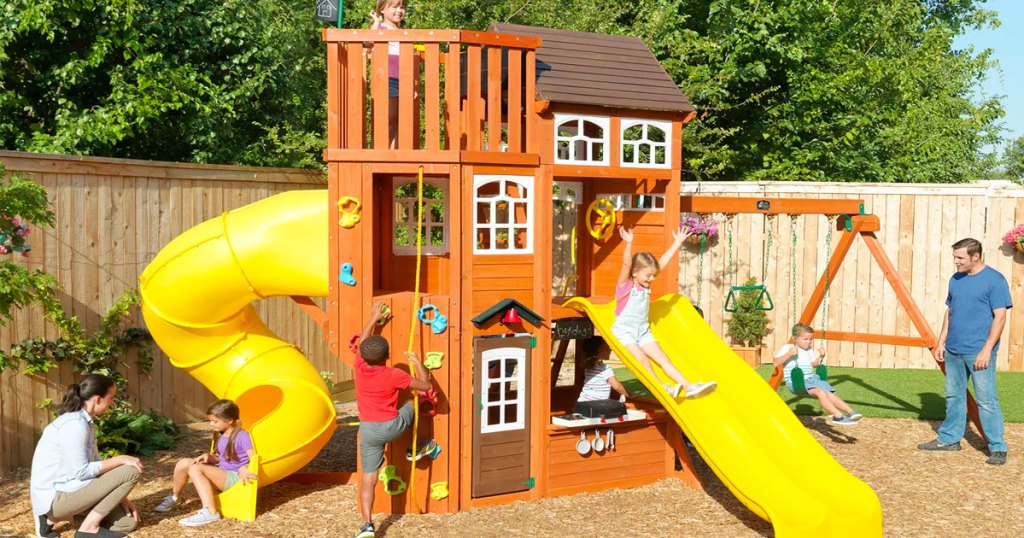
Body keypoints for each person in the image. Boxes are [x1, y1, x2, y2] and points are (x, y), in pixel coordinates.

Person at [918, 238, 1011, 465]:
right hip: (953, 350)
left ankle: (997, 446)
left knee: (986, 399)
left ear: (975, 256)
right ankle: (950, 439)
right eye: (955, 257)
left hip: (978, 351)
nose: (956, 262)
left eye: (960, 258)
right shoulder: (956, 279)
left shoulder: (995, 280)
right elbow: (950, 312)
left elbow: (1000, 317)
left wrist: (986, 350)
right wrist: (941, 342)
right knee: (954, 396)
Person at [353, 301, 433, 538]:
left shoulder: (359, 367)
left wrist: (373, 318)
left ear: (364, 356)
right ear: (388, 356)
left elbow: (362, 344)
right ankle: (416, 447)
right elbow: (426, 384)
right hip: (392, 426)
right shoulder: (394, 374)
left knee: (369, 478)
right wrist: (416, 360)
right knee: (413, 401)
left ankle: (367, 524)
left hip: (368, 430)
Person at [30, 374, 143, 538]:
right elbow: (81, 472)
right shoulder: (74, 425)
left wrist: (120, 497)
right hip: (57, 497)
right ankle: (87, 529)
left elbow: (95, 465)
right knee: (130, 471)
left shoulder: (85, 423)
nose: (112, 403)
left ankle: (50, 519)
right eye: (110, 398)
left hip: (73, 490)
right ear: (97, 399)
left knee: (126, 523)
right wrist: (121, 459)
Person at [611, 226, 716, 399]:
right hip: (625, 332)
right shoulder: (625, 286)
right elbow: (626, 264)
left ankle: (689, 387)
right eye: (648, 276)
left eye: (653, 276)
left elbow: (662, 263)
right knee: (643, 360)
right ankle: (662, 388)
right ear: (635, 273)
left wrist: (678, 242)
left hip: (643, 331)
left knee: (663, 359)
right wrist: (629, 243)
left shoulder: (646, 284)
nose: (652, 279)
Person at [152, 399, 257, 526]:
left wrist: (243, 468)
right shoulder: (220, 434)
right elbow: (222, 458)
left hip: (235, 477)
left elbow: (254, 459)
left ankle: (210, 512)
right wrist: (210, 457)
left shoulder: (242, 436)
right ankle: (174, 497)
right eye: (210, 421)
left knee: (196, 469)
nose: (211, 424)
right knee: (184, 463)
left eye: (215, 421)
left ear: (229, 420)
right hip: (222, 472)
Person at [774, 324, 862, 426]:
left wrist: (821, 356)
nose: (809, 342)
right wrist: (789, 354)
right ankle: (838, 416)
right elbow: (776, 363)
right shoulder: (788, 347)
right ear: (795, 338)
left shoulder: (808, 350)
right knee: (820, 392)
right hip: (797, 382)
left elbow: (814, 364)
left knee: (829, 393)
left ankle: (851, 412)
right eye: (805, 339)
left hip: (812, 379)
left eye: (811, 339)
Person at [574, 337, 655, 414]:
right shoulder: (605, 369)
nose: (610, 350)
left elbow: (598, 384)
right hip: (596, 407)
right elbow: (617, 386)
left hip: (582, 403)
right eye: (606, 348)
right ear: (598, 352)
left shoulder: (589, 367)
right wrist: (631, 395)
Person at [369, 0, 406, 149]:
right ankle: (378, 149)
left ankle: (393, 152)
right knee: (388, 117)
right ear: (382, 9)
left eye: (402, 7)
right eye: (394, 7)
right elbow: (367, 42)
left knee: (400, 119)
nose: (399, 10)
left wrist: (413, 85)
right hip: (387, 79)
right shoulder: (380, 27)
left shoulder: (403, 33)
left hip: (403, 79)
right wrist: (376, 24)